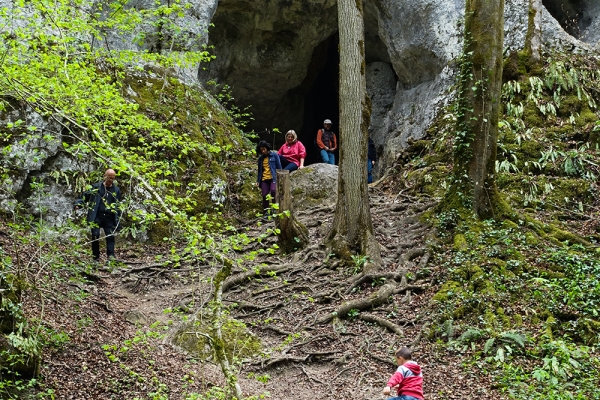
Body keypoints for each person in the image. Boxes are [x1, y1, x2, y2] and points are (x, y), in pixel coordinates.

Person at [74, 169, 122, 262]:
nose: (110, 180)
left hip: (109, 217)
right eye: (109, 178)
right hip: (96, 216)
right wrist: (78, 204)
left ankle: (111, 256)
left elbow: (117, 205)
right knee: (95, 235)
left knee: (110, 236)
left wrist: (118, 220)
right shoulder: (96, 187)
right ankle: (95, 257)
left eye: (113, 178)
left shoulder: (116, 190)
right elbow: (85, 196)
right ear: (105, 176)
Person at [256, 140, 282, 218]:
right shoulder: (261, 159)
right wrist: (258, 180)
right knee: (264, 195)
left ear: (267, 148)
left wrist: (280, 177)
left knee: (273, 191)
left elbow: (279, 167)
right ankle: (266, 212)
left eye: (264, 149)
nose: (263, 151)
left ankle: (274, 209)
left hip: (273, 178)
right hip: (264, 179)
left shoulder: (274, 155)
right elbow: (259, 170)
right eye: (261, 150)